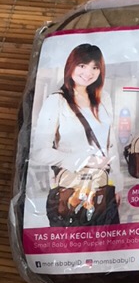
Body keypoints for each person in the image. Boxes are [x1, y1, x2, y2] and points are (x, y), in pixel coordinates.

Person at [32, 43, 123, 226]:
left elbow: (110, 144)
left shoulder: (103, 98)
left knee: (107, 239)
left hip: (103, 187)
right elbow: (39, 152)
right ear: (71, 66)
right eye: (82, 65)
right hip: (70, 190)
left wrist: (117, 185)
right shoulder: (56, 101)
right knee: (72, 239)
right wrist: (83, 160)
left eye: (95, 67)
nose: (88, 73)